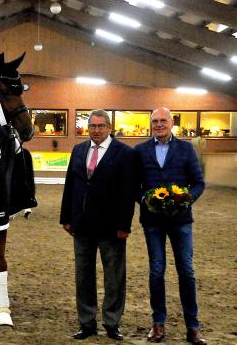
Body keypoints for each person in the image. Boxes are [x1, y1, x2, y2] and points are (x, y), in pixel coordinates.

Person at [60, 110, 138, 341]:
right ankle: (87, 322)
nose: (96, 130)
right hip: (81, 225)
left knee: (114, 277)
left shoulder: (125, 154)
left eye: (100, 126)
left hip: (112, 227)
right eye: (92, 126)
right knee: (83, 276)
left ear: (109, 127)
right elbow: (71, 185)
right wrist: (66, 217)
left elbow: (128, 193)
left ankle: (112, 322)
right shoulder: (79, 150)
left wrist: (124, 225)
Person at [135, 107, 206, 344]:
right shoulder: (141, 150)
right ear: (151, 124)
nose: (159, 124)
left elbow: (198, 182)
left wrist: (186, 200)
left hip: (181, 221)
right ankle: (158, 324)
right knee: (156, 271)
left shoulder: (186, 148)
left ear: (172, 123)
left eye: (163, 120)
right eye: (155, 121)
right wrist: (144, 198)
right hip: (153, 221)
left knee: (186, 271)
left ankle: (193, 327)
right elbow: (134, 184)